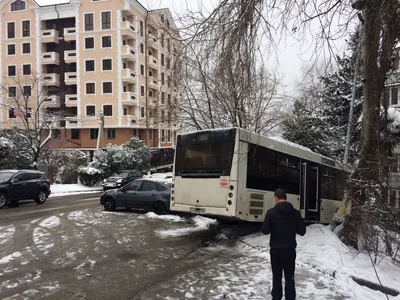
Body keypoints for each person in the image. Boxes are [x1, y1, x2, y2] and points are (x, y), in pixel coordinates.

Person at [262, 188, 306, 300]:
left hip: (276, 251)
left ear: (276, 198)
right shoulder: (295, 213)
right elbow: (302, 231)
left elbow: (265, 231)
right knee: (289, 277)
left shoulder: (271, 213)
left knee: (276, 277)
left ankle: (276, 297)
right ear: (286, 198)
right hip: (290, 250)